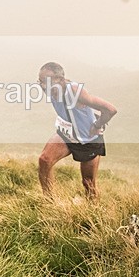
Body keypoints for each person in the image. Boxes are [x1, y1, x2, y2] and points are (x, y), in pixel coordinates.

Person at [37, 62, 117, 200]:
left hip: (88, 140)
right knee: (44, 160)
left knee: (88, 183)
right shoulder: (50, 88)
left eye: (47, 82)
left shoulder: (75, 92)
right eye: (41, 81)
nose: (44, 86)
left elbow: (110, 109)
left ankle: (94, 214)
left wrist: (97, 125)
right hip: (67, 134)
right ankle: (49, 203)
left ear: (60, 80)